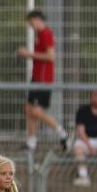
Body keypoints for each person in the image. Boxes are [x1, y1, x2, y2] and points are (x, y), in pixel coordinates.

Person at [18, 10, 67, 151]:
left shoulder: (46, 33)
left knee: (35, 110)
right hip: (37, 77)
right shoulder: (40, 35)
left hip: (44, 79)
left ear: (37, 19)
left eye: (31, 22)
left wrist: (28, 54)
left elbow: (50, 56)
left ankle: (62, 132)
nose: (31, 25)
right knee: (28, 108)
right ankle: (31, 142)